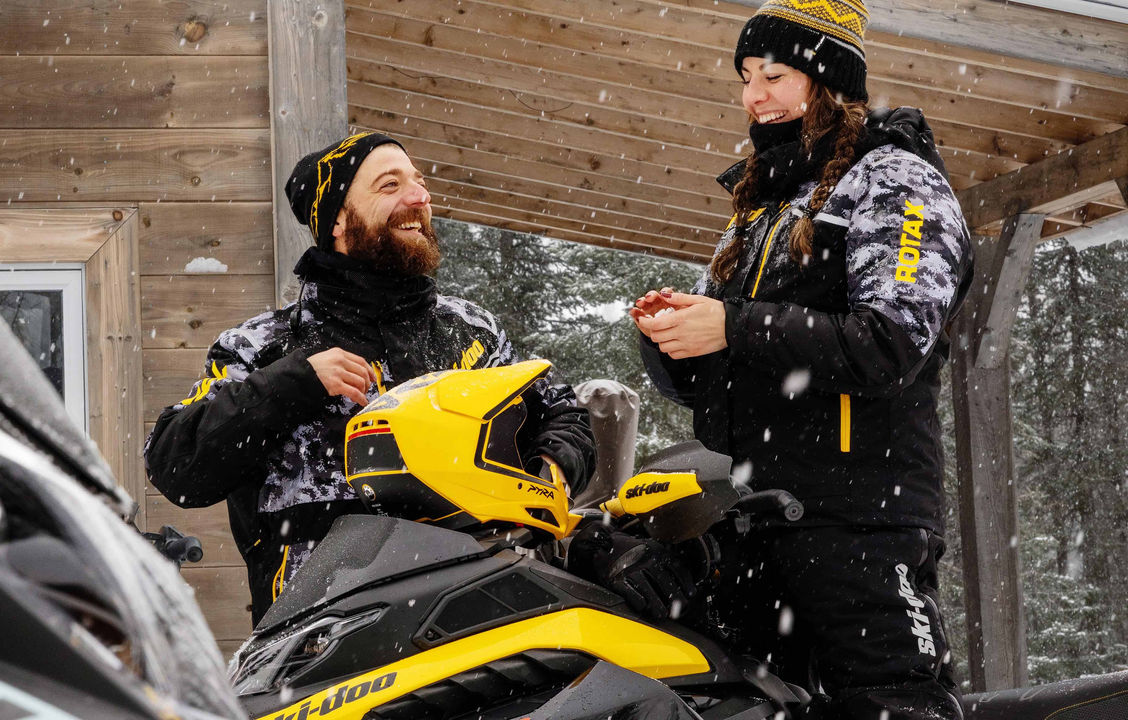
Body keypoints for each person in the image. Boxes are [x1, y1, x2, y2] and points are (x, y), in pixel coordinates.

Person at [627, 0, 973, 717]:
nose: (753, 96)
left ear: (829, 83)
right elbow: (716, 365)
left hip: (857, 523)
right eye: (746, 76)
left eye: (776, 76)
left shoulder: (895, 180)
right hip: (744, 519)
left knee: (893, 704)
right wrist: (671, 336)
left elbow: (891, 343)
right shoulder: (761, 202)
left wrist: (733, 325)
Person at [145, 131, 596, 625]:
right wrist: (294, 383)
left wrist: (552, 469)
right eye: (390, 185)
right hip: (321, 645)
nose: (420, 197)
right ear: (337, 219)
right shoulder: (265, 346)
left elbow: (560, 411)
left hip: (475, 626)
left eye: (420, 183)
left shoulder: (471, 332)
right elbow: (176, 465)